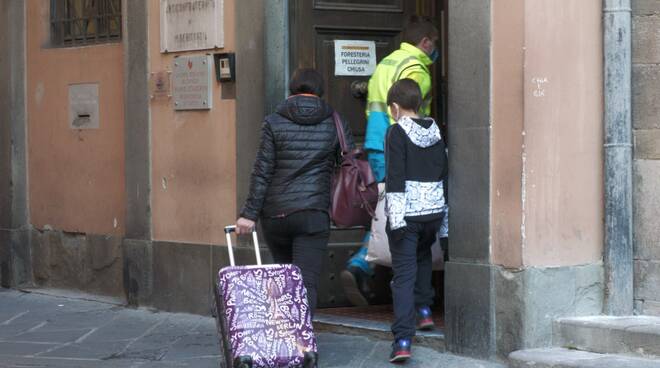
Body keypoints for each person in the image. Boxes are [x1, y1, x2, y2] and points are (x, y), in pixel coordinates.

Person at [342, 15, 442, 315]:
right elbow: (407, 111)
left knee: (386, 204)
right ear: (425, 42)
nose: (434, 52)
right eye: (434, 45)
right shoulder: (417, 70)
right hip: (397, 144)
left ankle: (370, 268)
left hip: (376, 141)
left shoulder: (387, 63)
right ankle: (370, 268)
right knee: (402, 211)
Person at [235, 68, 354, 315]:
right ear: (320, 90)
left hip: (276, 214)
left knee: (284, 279)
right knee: (305, 281)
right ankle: (303, 345)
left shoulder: (273, 121)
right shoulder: (336, 120)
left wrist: (248, 214)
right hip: (313, 213)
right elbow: (348, 164)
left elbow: (262, 171)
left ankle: (285, 338)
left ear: (292, 88)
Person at [384, 79, 447, 363]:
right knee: (422, 258)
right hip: (433, 214)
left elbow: (395, 178)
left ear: (396, 108)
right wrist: (444, 225)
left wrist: (395, 221)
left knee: (403, 276)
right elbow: (444, 176)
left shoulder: (395, 133)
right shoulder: (436, 132)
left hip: (407, 214)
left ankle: (403, 340)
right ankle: (424, 311)